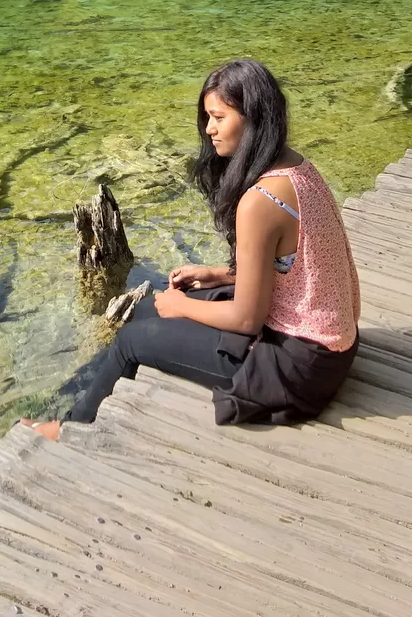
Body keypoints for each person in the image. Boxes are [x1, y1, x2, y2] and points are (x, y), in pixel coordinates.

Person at [22, 58, 360, 439]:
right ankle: (98, 395)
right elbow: (294, 264)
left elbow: (248, 320)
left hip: (300, 369)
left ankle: (71, 427)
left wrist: (182, 307)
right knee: (150, 306)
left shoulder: (261, 199)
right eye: (207, 118)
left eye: (218, 117)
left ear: (252, 118)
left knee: (133, 340)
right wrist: (218, 274)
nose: (209, 130)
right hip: (330, 346)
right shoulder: (295, 167)